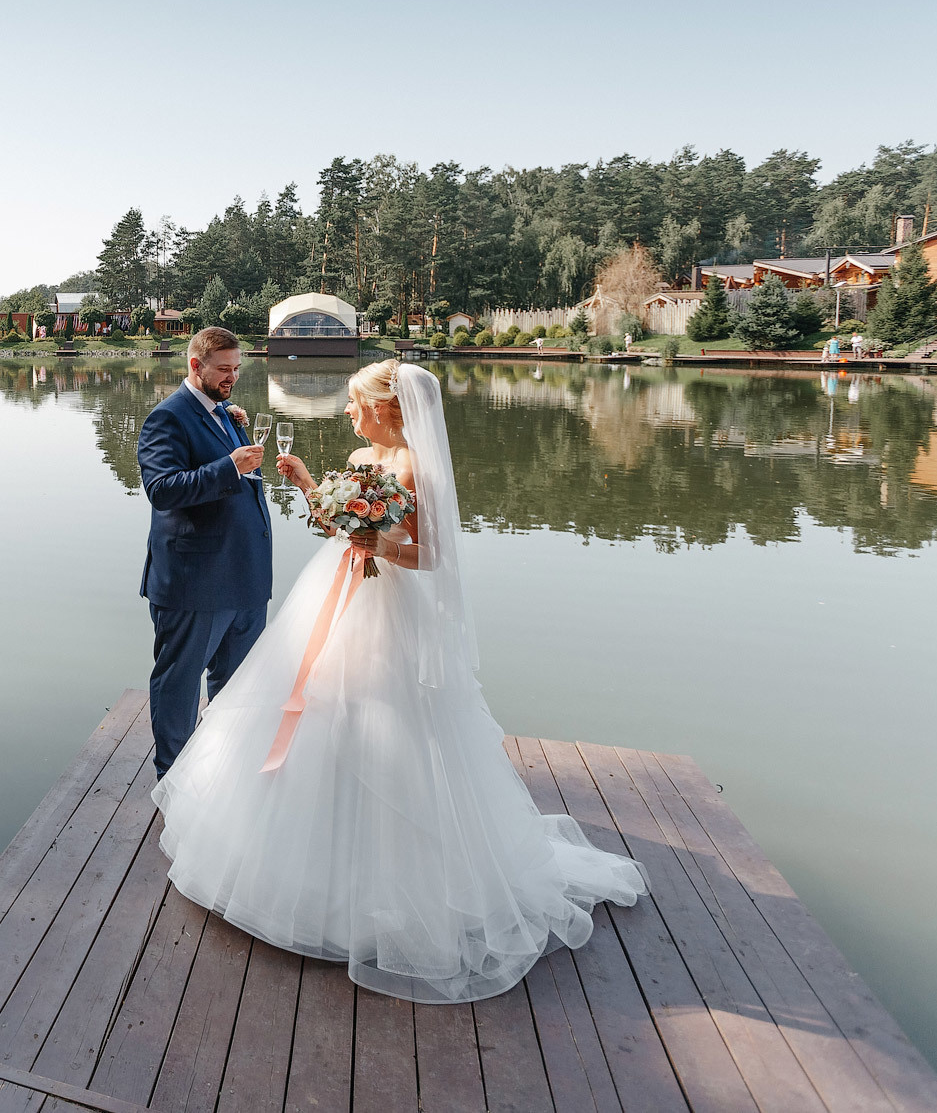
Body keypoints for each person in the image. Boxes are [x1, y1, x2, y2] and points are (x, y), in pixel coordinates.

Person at [153, 359, 644, 1003]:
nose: (350, 414)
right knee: (320, 713)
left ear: (388, 409)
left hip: (389, 610)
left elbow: (430, 554)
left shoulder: (416, 468)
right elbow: (341, 525)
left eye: (357, 404)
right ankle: (310, 870)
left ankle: (389, 889)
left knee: (387, 722)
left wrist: (372, 540)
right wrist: (308, 486)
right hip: (339, 593)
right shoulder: (364, 455)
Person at [136, 326, 272, 781]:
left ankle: (221, 776)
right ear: (195, 365)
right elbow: (162, 490)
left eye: (237, 368)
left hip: (245, 577)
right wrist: (229, 466)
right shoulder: (167, 418)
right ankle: (172, 782)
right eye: (224, 369)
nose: (233, 377)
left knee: (236, 689)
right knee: (178, 684)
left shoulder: (226, 414)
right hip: (194, 581)